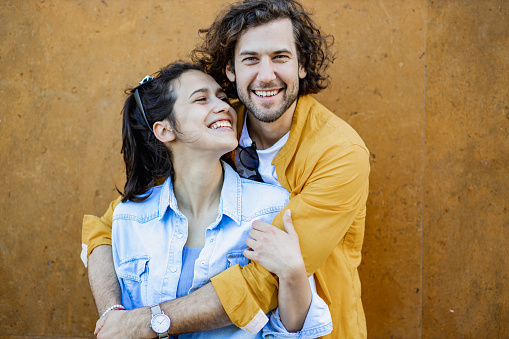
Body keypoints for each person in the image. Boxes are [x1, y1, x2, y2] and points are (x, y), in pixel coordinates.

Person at [82, 0, 370, 338]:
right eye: (250, 59)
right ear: (231, 70)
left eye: (280, 57)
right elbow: (109, 228)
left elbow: (265, 280)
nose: (266, 76)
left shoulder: (339, 154)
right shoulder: (215, 129)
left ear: (302, 65)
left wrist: (148, 322)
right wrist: (115, 318)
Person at [103, 61, 332, 338]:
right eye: (201, 99)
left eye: (223, 98)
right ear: (164, 130)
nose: (224, 106)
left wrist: (294, 273)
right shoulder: (129, 218)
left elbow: (293, 331)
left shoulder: (272, 207)